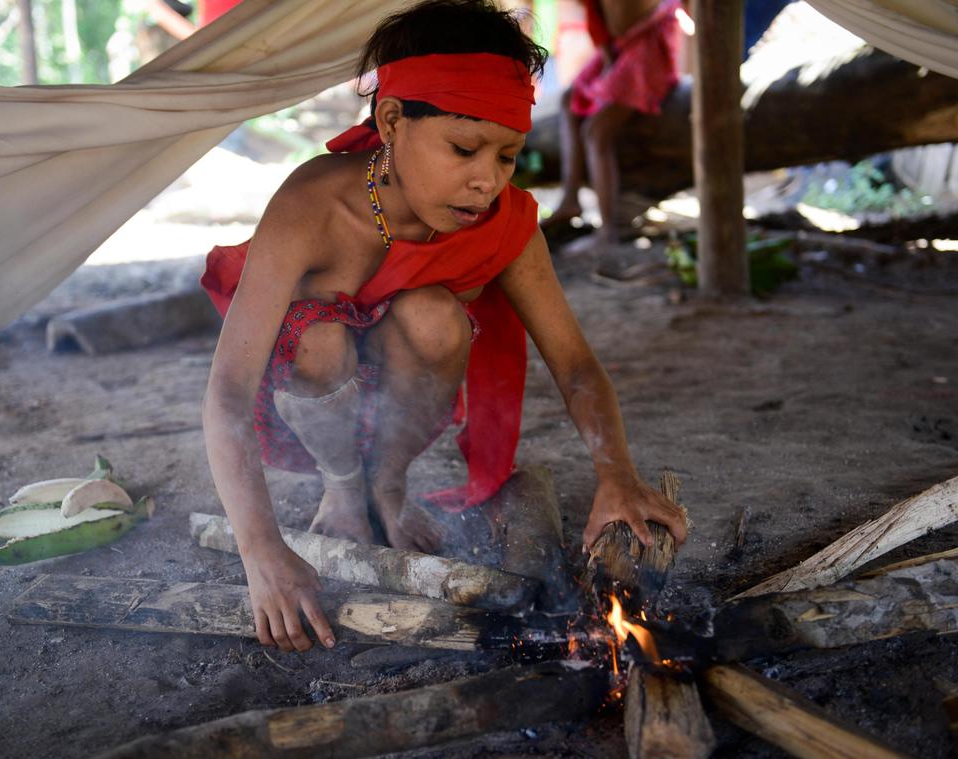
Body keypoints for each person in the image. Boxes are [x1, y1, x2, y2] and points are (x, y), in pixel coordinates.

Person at [200, 0, 687, 655]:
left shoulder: (505, 223)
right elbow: (228, 390)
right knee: (318, 339)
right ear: (392, 120)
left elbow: (574, 363)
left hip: (401, 388)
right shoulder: (312, 206)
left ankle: (388, 484)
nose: (486, 180)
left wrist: (617, 475)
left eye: (509, 155)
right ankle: (344, 488)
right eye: (464, 149)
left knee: (435, 319)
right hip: (309, 389)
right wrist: (262, 550)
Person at [541, 0, 682, 250]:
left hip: (647, 41)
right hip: (617, 46)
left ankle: (608, 231)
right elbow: (602, 23)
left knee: (596, 131)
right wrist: (608, 60)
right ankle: (570, 198)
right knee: (568, 100)